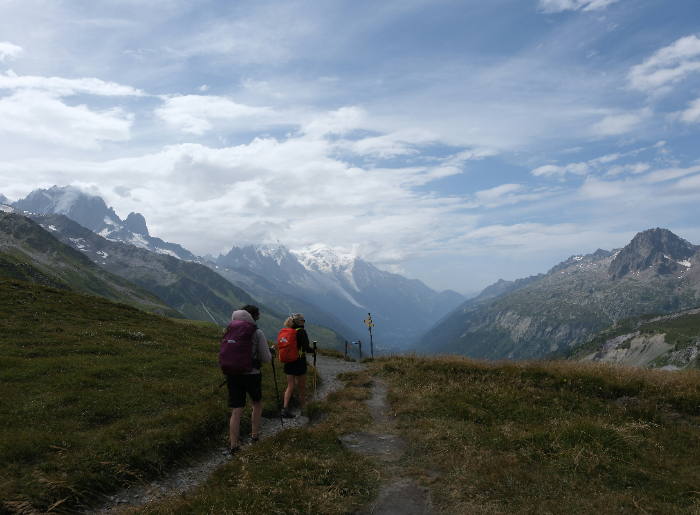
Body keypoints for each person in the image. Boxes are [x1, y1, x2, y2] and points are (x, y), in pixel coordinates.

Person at [225, 304, 274, 455]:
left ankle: (233, 445)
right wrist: (272, 352)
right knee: (256, 402)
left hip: (232, 374)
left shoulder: (230, 329)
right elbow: (266, 358)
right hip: (252, 374)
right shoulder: (257, 332)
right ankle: (254, 436)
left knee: (236, 410)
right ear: (255, 317)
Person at [280, 313, 315, 418]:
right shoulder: (302, 332)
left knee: (290, 386)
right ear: (299, 321)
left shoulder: (288, 332)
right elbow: (305, 348)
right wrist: (314, 351)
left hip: (288, 362)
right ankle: (304, 409)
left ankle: (285, 408)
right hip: (299, 362)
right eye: (303, 320)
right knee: (302, 387)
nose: (304, 322)